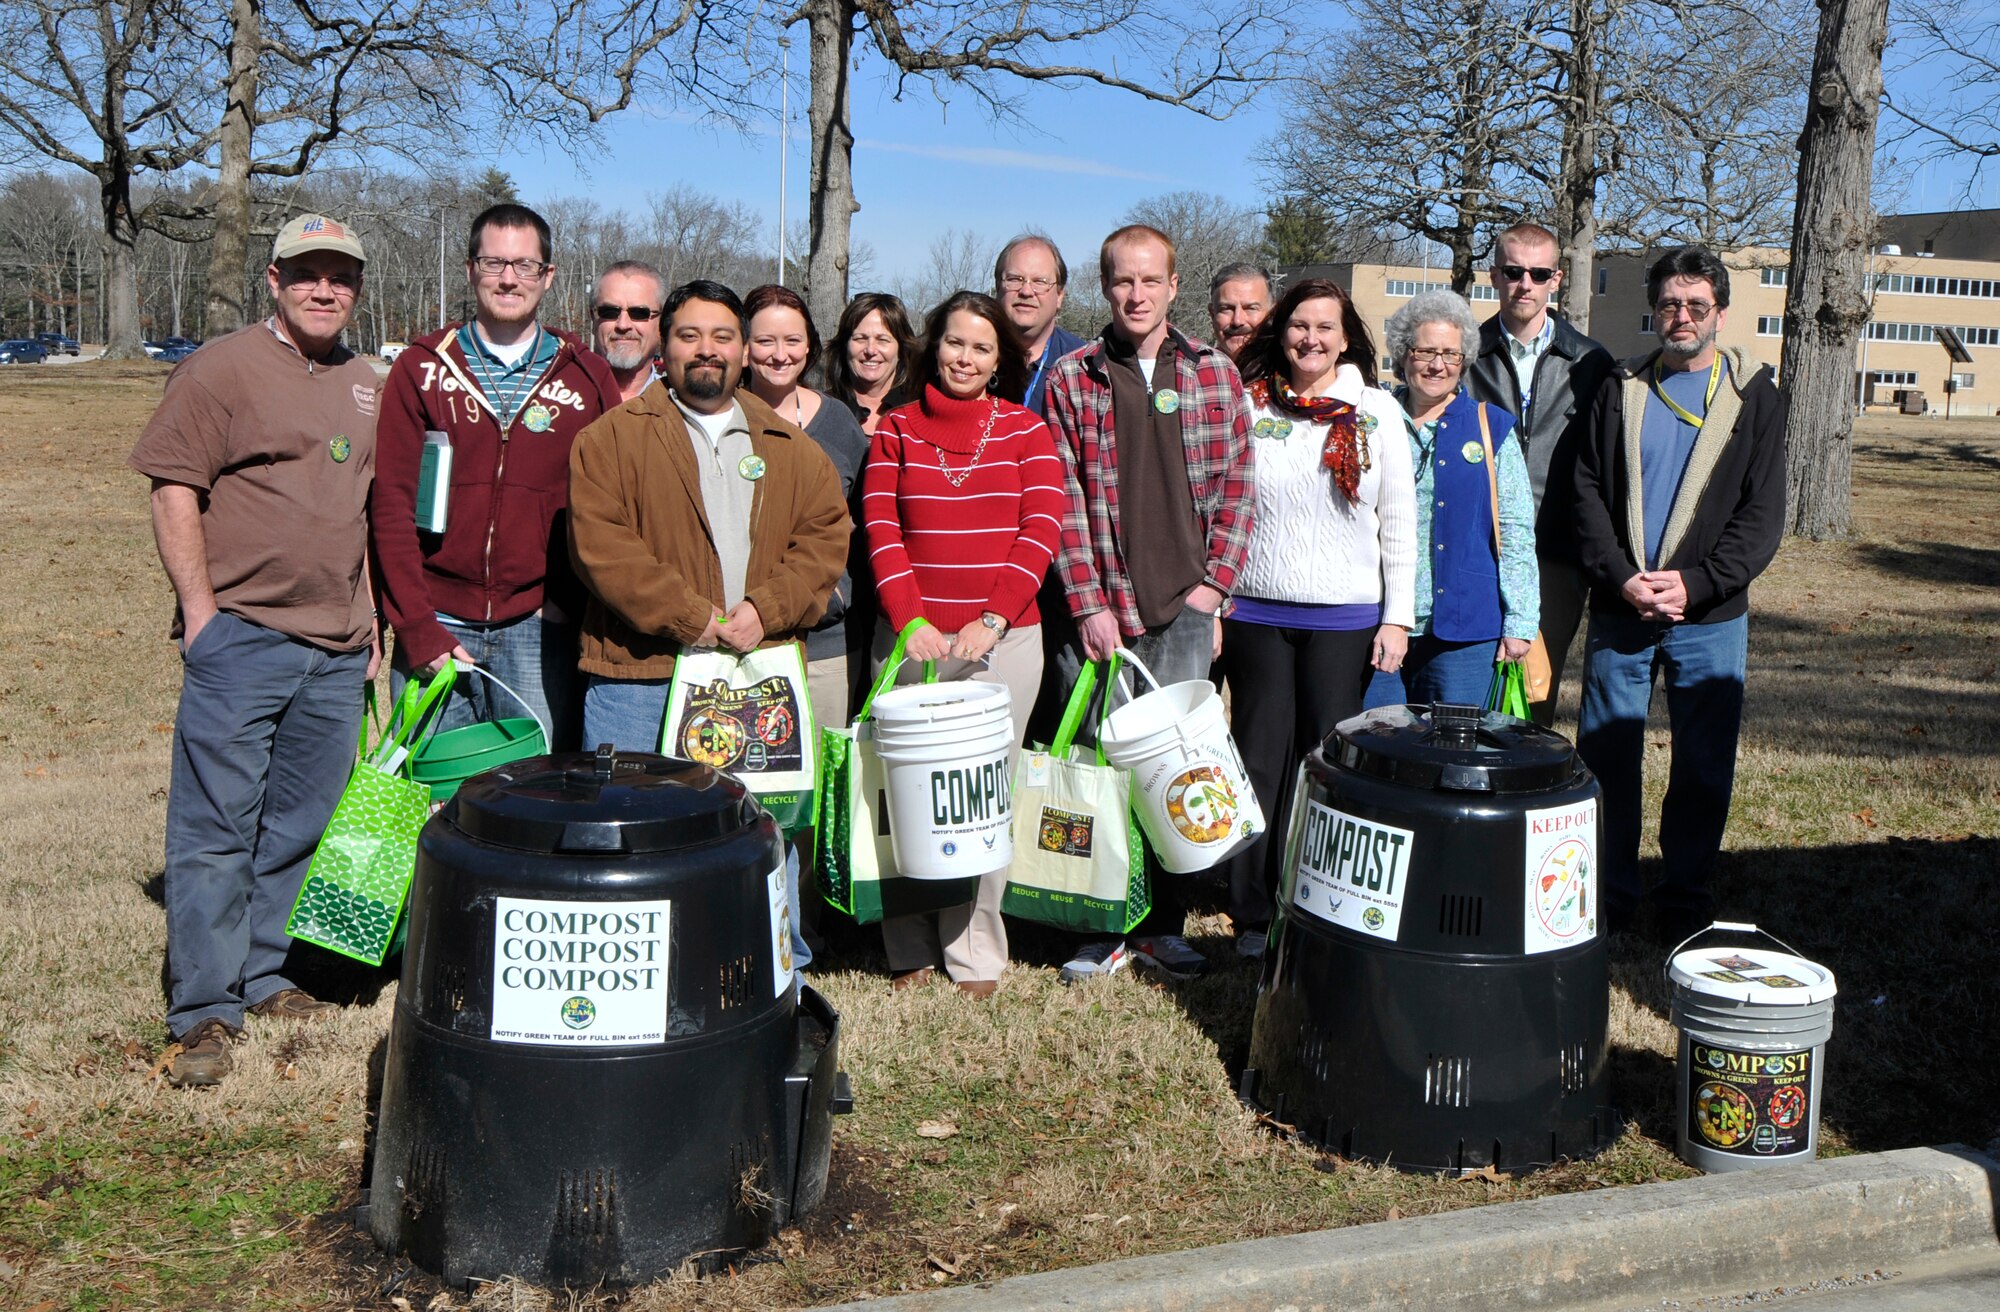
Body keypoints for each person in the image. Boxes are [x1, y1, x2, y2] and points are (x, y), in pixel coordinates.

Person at [129, 214, 382, 1087]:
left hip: (339, 646)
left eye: (340, 277)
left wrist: (373, 626)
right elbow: (174, 490)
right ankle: (204, 1007)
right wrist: (201, 615)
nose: (324, 290)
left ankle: (268, 973)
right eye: (306, 274)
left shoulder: (367, 382)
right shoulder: (222, 367)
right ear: (272, 281)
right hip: (243, 634)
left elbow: (368, 515)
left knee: (302, 825)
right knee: (215, 827)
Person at [568, 280, 851, 964]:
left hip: (754, 674)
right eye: (690, 335)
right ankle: (640, 973)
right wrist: (689, 616)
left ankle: (777, 969)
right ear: (664, 347)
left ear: (744, 350)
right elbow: (600, 547)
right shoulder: (610, 440)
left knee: (760, 831)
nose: (707, 351)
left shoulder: (790, 444)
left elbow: (823, 541)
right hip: (640, 675)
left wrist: (767, 610)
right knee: (635, 831)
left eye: (723, 337)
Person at [1042, 223, 1257, 984]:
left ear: (1172, 287)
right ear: (1105, 287)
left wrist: (1213, 586)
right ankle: (1099, 923)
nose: (1135, 295)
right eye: (1121, 281)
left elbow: (1238, 489)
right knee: (1096, 774)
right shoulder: (1073, 378)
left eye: (1149, 281)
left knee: (1175, 775)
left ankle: (1165, 926)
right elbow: (1061, 498)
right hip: (1099, 612)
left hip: (1183, 609)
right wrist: (1088, 601)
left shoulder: (1214, 376)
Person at [1572, 246, 1787, 942]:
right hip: (1621, 606)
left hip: (1710, 617)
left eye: (1697, 304)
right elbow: (1587, 492)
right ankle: (1609, 894)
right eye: (1670, 303)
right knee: (1607, 755)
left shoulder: (1756, 394)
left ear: (1719, 312)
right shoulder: (1620, 385)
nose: (1682, 316)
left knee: (1702, 760)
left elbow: (1761, 517)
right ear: (1654, 309)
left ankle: (1685, 896)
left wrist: (1695, 584)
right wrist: (1621, 576)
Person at [861, 290, 1066, 998]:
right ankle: (908, 944)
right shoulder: (896, 430)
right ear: (933, 346)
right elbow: (882, 531)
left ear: (999, 359)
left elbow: (1040, 529)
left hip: (1004, 644)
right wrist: (913, 621)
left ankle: (974, 948)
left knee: (981, 799)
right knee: (906, 795)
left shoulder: (1025, 430)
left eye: (982, 347)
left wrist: (996, 617)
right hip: (912, 642)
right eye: (954, 343)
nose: (965, 358)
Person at [371, 203, 619, 752]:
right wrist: (415, 625)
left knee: (537, 800)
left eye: (525, 266)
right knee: (427, 793)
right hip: (436, 620)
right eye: (494, 263)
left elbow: (608, 508)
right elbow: (390, 503)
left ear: (548, 277)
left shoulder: (587, 375)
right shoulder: (422, 367)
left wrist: (565, 603)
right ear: (469, 270)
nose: (509, 278)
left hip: (538, 628)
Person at [1220, 278, 1416, 960]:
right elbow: (1226, 503)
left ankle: (1316, 897)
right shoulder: (1250, 404)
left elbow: (1398, 522)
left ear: (1345, 336)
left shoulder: (1377, 412)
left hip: (1345, 616)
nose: (1310, 339)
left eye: (1324, 327)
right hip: (1255, 609)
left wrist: (1398, 618)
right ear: (1283, 332)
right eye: (1299, 325)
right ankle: (1249, 910)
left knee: (1324, 761)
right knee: (1258, 758)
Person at [1465, 222, 1614, 725]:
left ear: (1557, 277)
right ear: (1494, 275)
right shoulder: (1464, 357)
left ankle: (1525, 796)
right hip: (1476, 548)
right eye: (1512, 271)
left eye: (1538, 272)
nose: (1524, 283)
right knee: (1470, 686)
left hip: (1556, 552)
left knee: (1533, 693)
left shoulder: (1592, 363)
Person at [1363, 289, 1538, 707]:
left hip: (1466, 629)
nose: (1438, 365)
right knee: (1379, 746)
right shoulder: (1372, 420)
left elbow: (1514, 530)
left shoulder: (1491, 426)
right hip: (1379, 618)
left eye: (1451, 354)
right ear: (1404, 354)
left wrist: (1521, 621)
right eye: (1425, 351)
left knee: (1454, 757)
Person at [741, 282, 871, 728]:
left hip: (825, 644)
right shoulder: (720, 417)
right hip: (735, 645)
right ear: (743, 347)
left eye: (793, 340)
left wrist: (837, 594)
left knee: (821, 787)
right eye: (765, 341)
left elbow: (863, 526)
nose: (780, 354)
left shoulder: (838, 423)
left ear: (810, 346)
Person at [994, 233, 1087, 415]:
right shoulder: (969, 361)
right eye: (1015, 279)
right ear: (997, 288)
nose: (1026, 291)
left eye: (1040, 282)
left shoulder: (1084, 367)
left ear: (1060, 296)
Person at [826, 293, 919, 434]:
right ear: (844, 346)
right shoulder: (822, 410)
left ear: (901, 350)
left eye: (882, 340)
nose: (870, 350)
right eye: (860, 339)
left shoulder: (920, 412)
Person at [592, 260, 667, 403]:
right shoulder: (563, 397)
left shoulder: (680, 408)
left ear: (661, 323)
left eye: (639, 313)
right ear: (593, 318)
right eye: (609, 312)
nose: (623, 325)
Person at [1208, 262, 1273, 362]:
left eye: (1251, 308)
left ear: (1271, 313)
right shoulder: (1195, 374)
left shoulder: (1291, 374)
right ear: (1212, 314)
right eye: (1227, 309)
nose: (1237, 321)